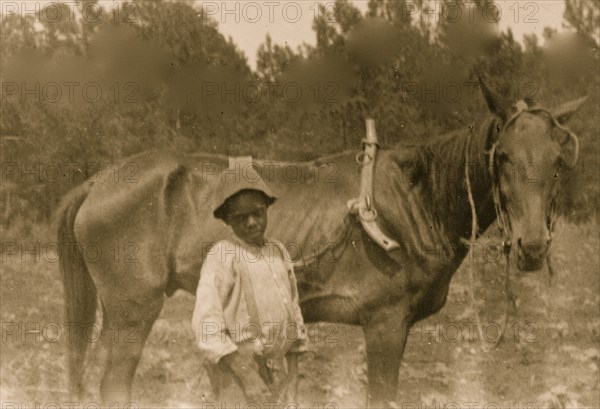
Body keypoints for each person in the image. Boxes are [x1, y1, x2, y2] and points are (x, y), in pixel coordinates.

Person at [191, 169, 308, 405]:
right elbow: (206, 324)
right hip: (237, 368)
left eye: (258, 213)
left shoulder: (277, 251)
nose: (252, 222)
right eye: (241, 217)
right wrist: (248, 378)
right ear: (227, 220)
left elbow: (293, 312)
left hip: (276, 367)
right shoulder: (223, 255)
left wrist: (293, 376)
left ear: (266, 208)